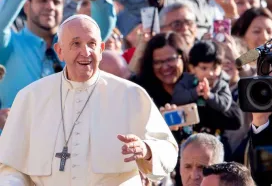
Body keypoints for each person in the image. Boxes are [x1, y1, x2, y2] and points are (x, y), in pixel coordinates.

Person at [0, 15, 178, 185]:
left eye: (91, 44)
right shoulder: (31, 98)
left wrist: (146, 150)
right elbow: (10, 167)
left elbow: (168, 150)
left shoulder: (131, 95)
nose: (85, 52)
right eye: (76, 44)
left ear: (101, 50)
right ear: (60, 51)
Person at [0, 0, 116, 109]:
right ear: (26, 6)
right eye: (42, 0)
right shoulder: (9, 44)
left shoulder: (74, 46)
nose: (50, 6)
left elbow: (101, 29)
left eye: (56, 2)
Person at [171, 41, 236, 134]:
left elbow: (225, 104)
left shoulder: (221, 84)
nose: (210, 73)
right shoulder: (186, 81)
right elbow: (177, 98)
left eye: (214, 68)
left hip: (213, 133)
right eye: (204, 68)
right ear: (192, 68)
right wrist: (194, 92)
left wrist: (210, 96)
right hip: (188, 132)